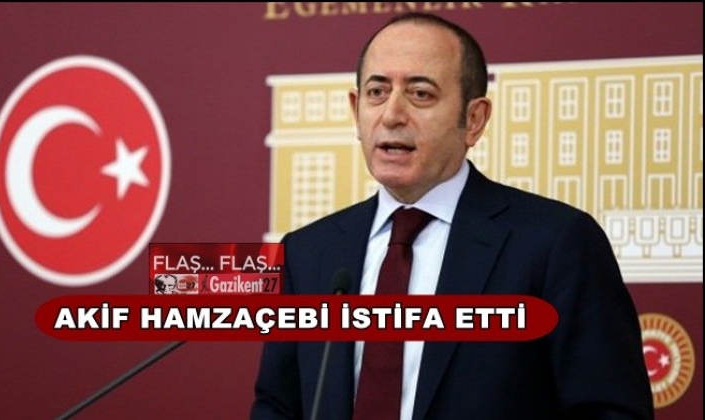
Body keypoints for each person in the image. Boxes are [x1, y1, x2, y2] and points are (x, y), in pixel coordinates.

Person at [251, 12, 653, 420]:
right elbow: (277, 407)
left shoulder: (554, 244)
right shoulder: (308, 253)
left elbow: (610, 411)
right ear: (356, 110)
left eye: (420, 94)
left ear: (473, 120)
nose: (391, 114)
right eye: (377, 92)